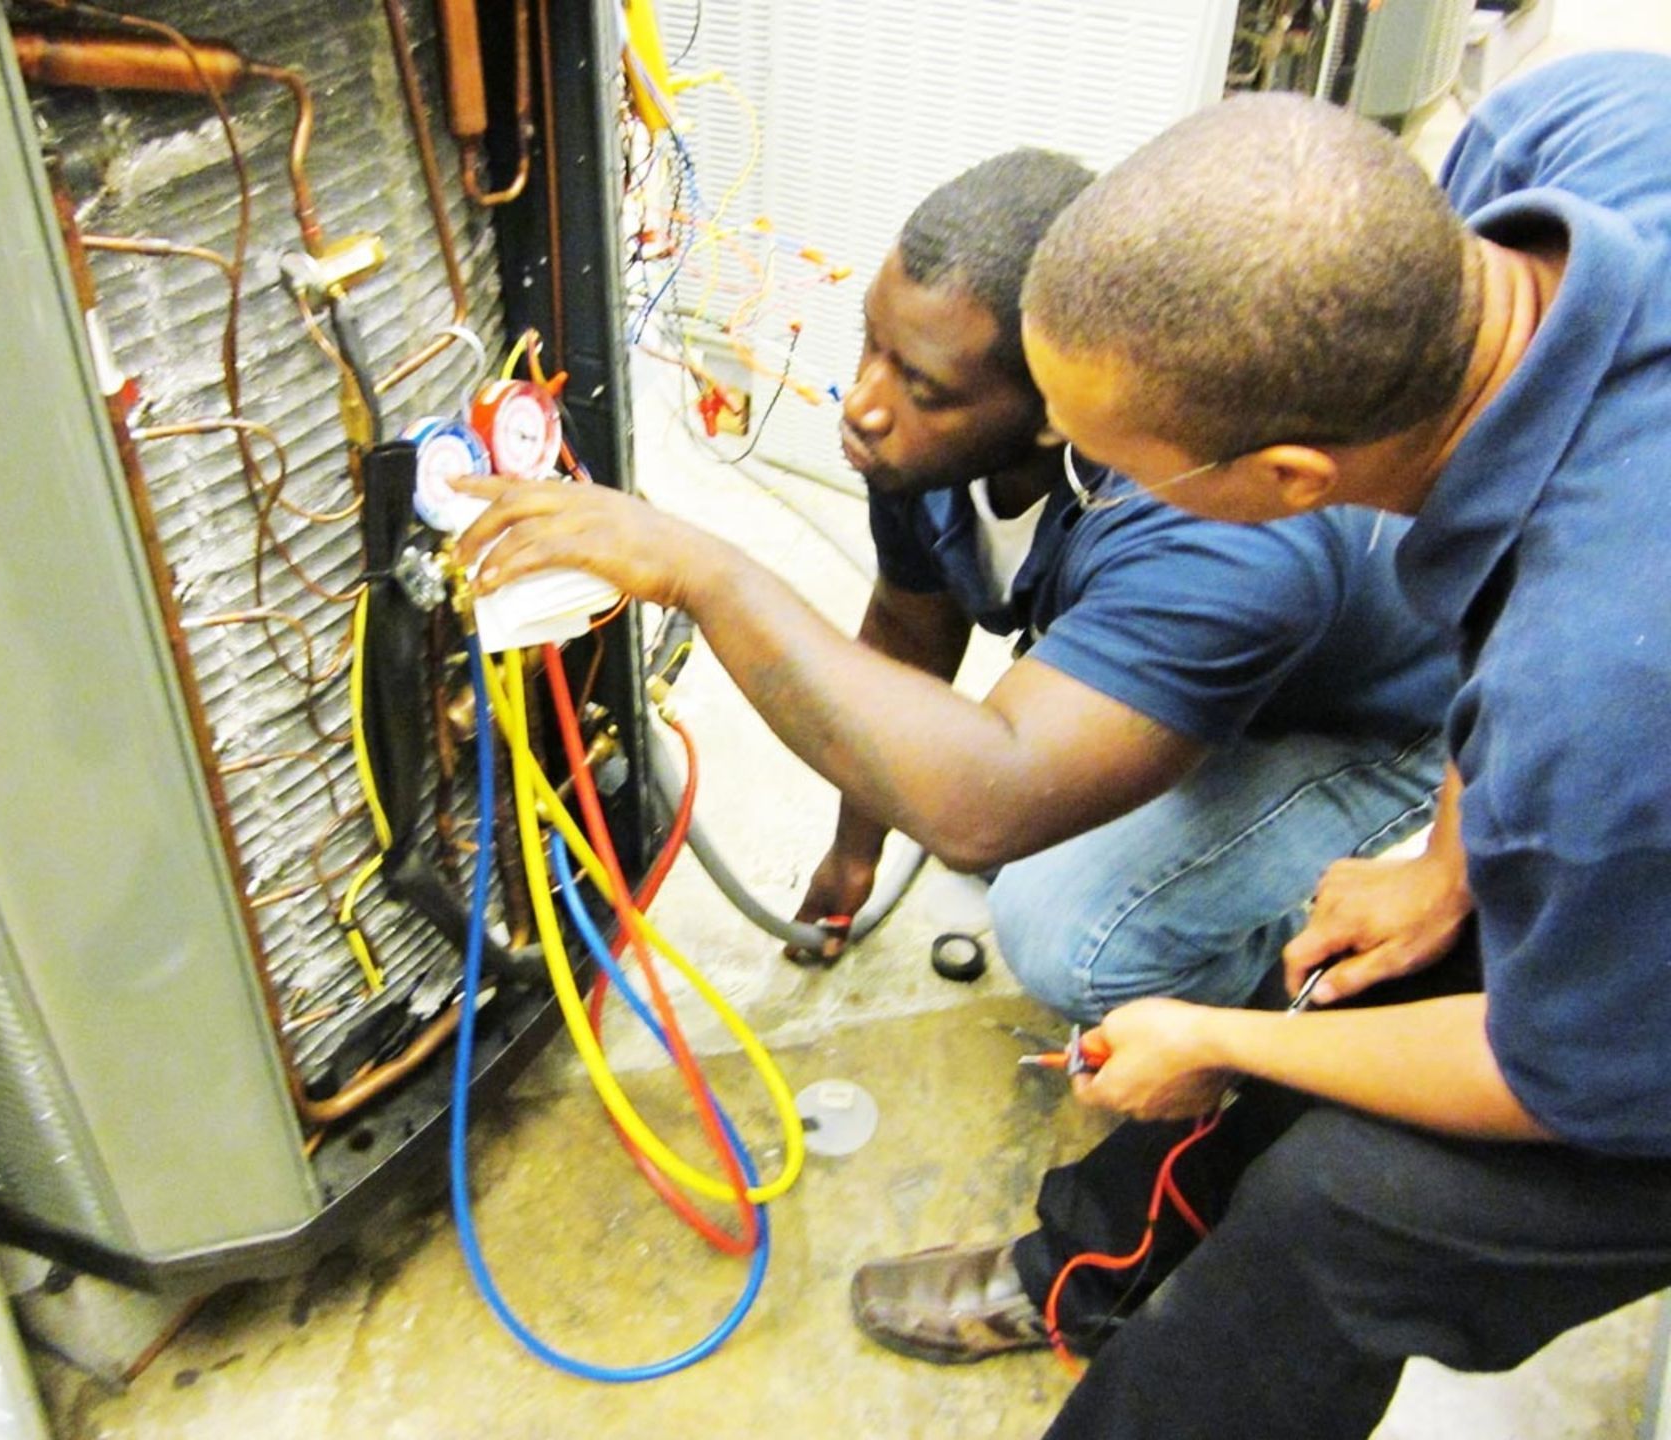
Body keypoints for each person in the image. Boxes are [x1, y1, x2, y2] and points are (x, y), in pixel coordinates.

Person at [848, 51, 1671, 1439]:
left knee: (1336, 1213)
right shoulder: (1575, 131)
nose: (1099, 492)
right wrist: (1446, 867)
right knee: (1348, 976)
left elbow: (1568, 1076)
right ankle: (1085, 1270)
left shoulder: (1595, 714)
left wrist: (1223, 1039)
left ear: (1291, 483)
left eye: (1130, 472)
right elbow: (1526, 557)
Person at [462, 147, 1455, 1032]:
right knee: (973, 794)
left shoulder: (1202, 537)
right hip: (1221, 673)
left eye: (923, 387)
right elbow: (905, 626)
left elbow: (986, 805)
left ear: (1059, 412)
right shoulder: (918, 448)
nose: (865, 403)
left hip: (1367, 721)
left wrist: (703, 571)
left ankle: (1265, 1009)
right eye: (872, 345)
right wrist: (858, 853)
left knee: (1064, 927)